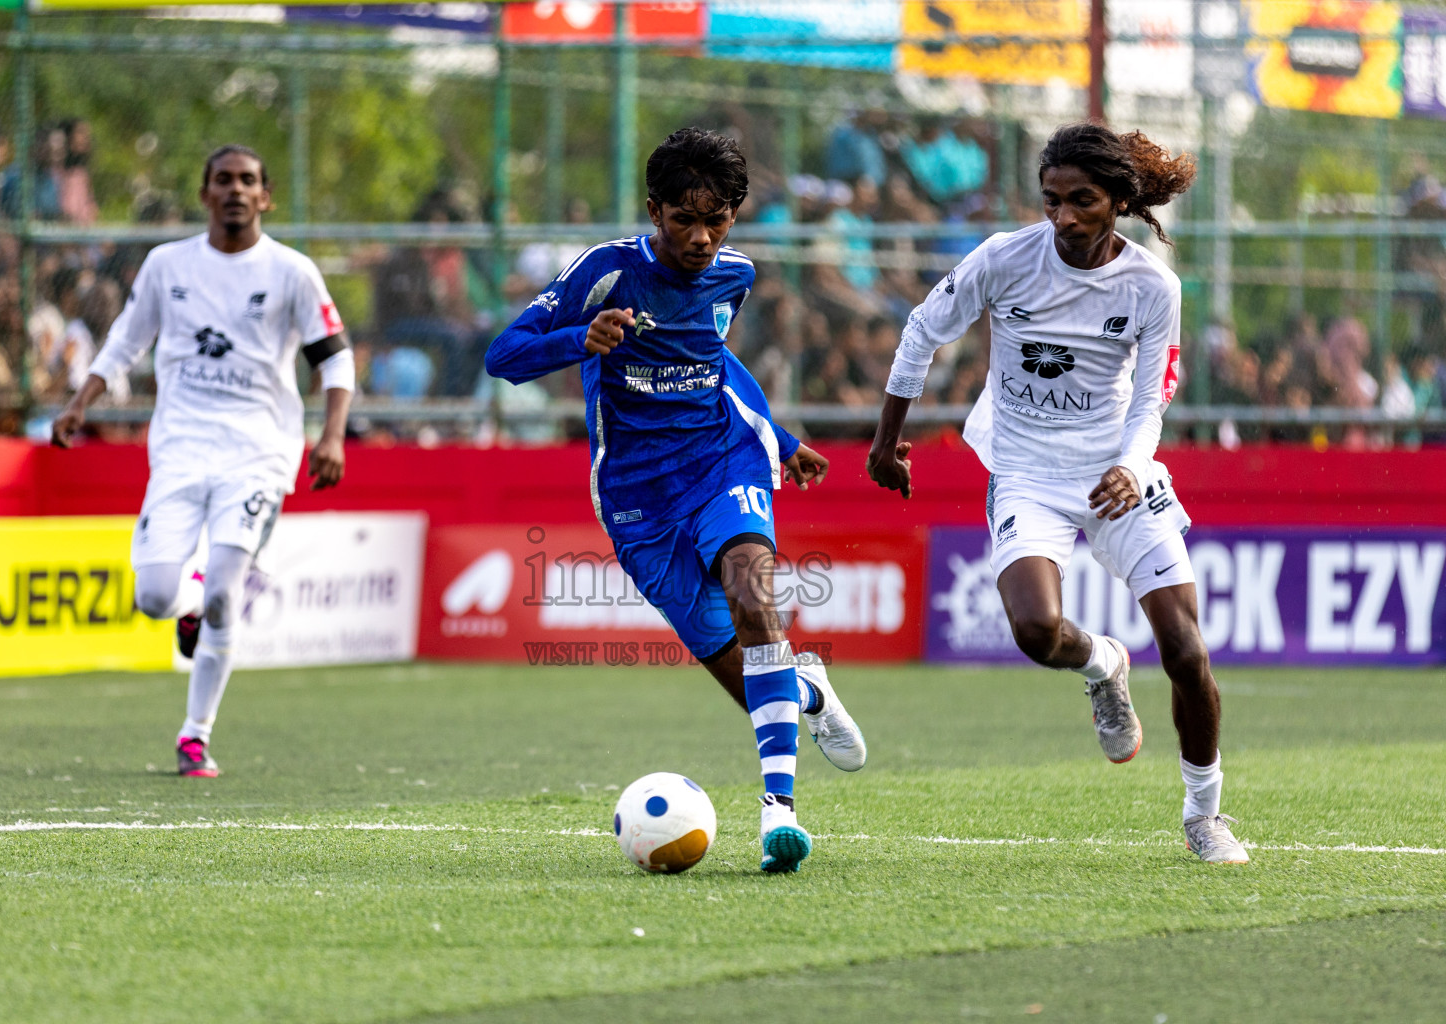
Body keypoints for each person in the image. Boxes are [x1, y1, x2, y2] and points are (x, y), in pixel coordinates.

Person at [485, 128, 867, 874]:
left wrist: (781, 441)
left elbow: (713, 358)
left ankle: (778, 813)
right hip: (637, 497)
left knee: (756, 596)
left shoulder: (737, 274)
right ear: (654, 210)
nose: (699, 236)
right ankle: (806, 691)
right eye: (682, 218)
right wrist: (577, 338)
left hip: (722, 459)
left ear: (734, 215)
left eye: (716, 218)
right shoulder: (606, 272)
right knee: (739, 666)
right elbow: (503, 355)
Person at [867, 122, 1248, 865]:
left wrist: (1134, 469)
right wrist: (886, 440)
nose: (1065, 218)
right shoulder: (1004, 259)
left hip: (1116, 474)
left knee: (1185, 648)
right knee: (1037, 632)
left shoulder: (1152, 286)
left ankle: (1205, 816)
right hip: (1027, 471)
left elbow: (1150, 399)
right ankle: (1103, 665)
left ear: (1119, 202)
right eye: (1051, 201)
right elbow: (921, 331)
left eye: (1082, 201)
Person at [50, 144, 354, 778]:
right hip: (181, 449)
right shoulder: (168, 265)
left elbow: (335, 358)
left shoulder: (293, 272)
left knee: (223, 591)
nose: (236, 190)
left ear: (266, 196)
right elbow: (126, 340)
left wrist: (331, 436)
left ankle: (195, 735)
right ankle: (183, 612)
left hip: (259, 450)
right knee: (156, 596)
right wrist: (81, 402)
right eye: (224, 180)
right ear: (205, 194)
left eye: (248, 180)